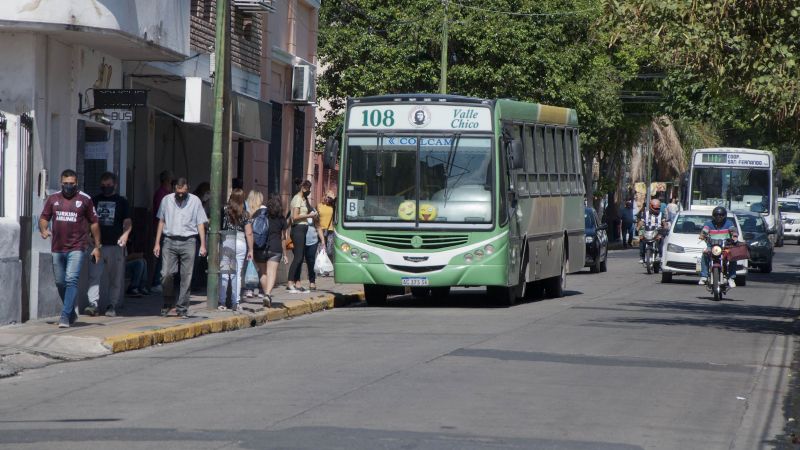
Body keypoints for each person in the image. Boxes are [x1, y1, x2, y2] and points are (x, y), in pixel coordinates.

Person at [38, 169, 102, 328]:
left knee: (71, 280)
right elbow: (44, 218)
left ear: (76, 183)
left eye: (71, 184)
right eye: (65, 184)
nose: (68, 187)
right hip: (57, 248)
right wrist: (44, 230)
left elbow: (94, 223)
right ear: (61, 183)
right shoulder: (53, 199)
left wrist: (97, 246)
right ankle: (71, 312)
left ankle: (65, 316)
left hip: (77, 247)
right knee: (60, 282)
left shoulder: (85, 200)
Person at [153, 177, 208, 318]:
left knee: (186, 276)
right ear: (174, 188)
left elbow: (200, 223)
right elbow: (161, 221)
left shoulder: (195, 201)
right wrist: (157, 243)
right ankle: (167, 302)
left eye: (183, 192)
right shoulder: (166, 200)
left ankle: (182, 307)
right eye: (178, 191)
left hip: (189, 241)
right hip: (169, 241)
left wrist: (203, 244)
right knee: (165, 274)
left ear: (188, 189)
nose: (181, 194)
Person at [86, 172, 132, 317]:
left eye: (109, 185)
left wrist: (125, 234)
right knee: (94, 276)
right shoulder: (93, 200)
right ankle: (93, 304)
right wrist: (88, 237)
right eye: (104, 185)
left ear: (115, 185)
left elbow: (127, 221)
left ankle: (112, 305)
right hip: (97, 246)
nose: (106, 188)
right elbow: (87, 221)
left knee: (115, 278)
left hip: (115, 246)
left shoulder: (122, 201)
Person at [218, 188, 254, 311]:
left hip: (227, 239)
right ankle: (235, 302)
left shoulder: (224, 210)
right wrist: (251, 250)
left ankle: (222, 302)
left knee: (224, 273)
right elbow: (249, 233)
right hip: (240, 241)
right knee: (237, 274)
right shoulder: (245, 213)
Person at [253, 194, 289, 306]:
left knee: (263, 273)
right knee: (271, 272)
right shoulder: (282, 219)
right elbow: (284, 238)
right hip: (275, 248)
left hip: (259, 247)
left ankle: (266, 294)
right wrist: (285, 254)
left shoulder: (259, 214)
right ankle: (268, 295)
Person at [287, 180, 317, 293]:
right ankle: (290, 282)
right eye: (308, 189)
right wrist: (309, 215)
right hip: (298, 229)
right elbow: (294, 216)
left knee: (300, 257)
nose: (309, 191)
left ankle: (295, 282)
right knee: (298, 257)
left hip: (303, 230)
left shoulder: (304, 200)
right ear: (303, 188)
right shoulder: (297, 199)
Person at [698, 206, 739, 287]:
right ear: (713, 215)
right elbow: (704, 230)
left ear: (724, 215)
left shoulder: (729, 223)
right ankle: (704, 276)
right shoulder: (709, 223)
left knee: (732, 257)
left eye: (721, 215)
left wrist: (734, 235)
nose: (718, 217)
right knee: (705, 254)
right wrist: (702, 235)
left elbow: (733, 230)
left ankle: (731, 278)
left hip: (725, 247)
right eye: (716, 215)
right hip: (712, 246)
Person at [151, 170, 173, 292]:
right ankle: (156, 282)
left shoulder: (166, 193)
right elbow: (162, 214)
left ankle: (160, 281)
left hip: (167, 229)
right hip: (162, 229)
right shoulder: (161, 194)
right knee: (162, 256)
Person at [636, 199, 668, 263]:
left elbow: (664, 223)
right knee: (642, 239)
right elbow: (642, 222)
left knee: (661, 239)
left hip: (657, 231)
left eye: (658, 208)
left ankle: (660, 255)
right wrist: (638, 228)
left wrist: (665, 228)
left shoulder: (661, 214)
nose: (656, 210)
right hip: (647, 230)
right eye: (655, 208)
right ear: (651, 206)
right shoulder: (645, 213)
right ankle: (642, 257)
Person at [303, 210, 326, 290]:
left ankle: (312, 282)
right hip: (302, 241)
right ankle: (296, 281)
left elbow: (318, 227)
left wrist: (322, 240)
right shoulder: (301, 213)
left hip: (313, 241)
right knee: (300, 261)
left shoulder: (313, 212)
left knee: (311, 261)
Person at [317, 190, 336, 267]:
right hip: (321, 230)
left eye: (329, 198)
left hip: (330, 230)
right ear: (324, 196)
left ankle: (328, 266)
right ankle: (321, 267)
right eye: (327, 197)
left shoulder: (333, 206)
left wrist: (332, 197)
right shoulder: (319, 205)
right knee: (322, 250)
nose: (328, 199)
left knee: (330, 251)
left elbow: (337, 200)